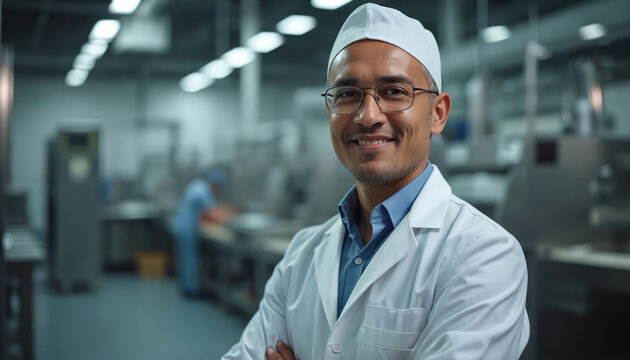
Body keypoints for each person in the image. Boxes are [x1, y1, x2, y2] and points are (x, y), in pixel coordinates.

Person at [223, 3, 529, 359]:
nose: (368, 116)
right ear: (330, 111)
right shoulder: (302, 255)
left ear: (438, 113)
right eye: (348, 94)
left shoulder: (483, 256)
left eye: (394, 92)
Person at [171, 170, 224, 298]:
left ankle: (186, 286)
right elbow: (208, 213)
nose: (215, 190)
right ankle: (191, 290)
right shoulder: (203, 191)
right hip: (187, 229)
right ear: (214, 184)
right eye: (216, 187)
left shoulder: (196, 185)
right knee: (191, 260)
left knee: (184, 259)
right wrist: (226, 218)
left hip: (180, 226)